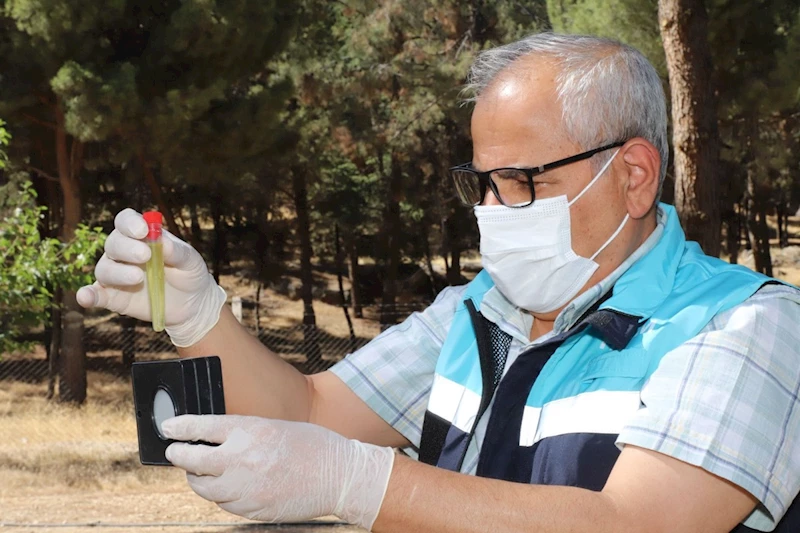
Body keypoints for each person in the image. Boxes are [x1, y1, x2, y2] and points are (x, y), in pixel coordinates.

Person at [77, 33, 800, 532]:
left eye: (520, 180)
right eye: (480, 182)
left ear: (634, 174)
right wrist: (201, 315)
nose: (491, 211)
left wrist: (361, 483)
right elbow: (308, 410)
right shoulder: (475, 313)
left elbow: (633, 522)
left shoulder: (746, 326)